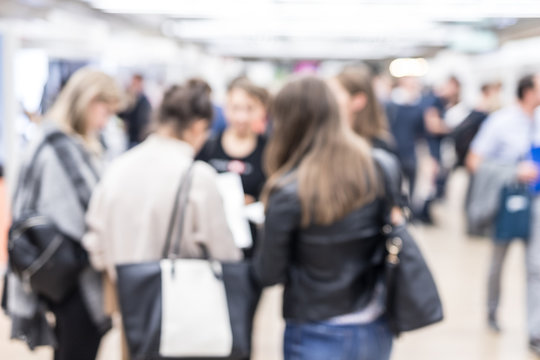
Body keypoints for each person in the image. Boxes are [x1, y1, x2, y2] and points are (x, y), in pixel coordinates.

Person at [82, 79, 242, 360]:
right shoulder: (196, 176)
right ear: (196, 127)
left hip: (130, 309)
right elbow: (224, 252)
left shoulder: (118, 167)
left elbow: (94, 240)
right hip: (183, 313)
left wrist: (121, 273)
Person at [253, 76, 402, 360]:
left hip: (314, 328)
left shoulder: (287, 190)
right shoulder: (381, 167)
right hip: (375, 323)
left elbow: (268, 273)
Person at [4, 68, 122, 360]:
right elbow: (78, 215)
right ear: (89, 101)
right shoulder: (60, 148)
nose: (105, 121)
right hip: (72, 275)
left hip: (67, 271)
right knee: (76, 348)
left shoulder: (71, 142)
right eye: (105, 111)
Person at [467, 74, 540, 356]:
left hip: (535, 202)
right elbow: (474, 161)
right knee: (498, 260)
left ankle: (535, 330)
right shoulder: (501, 122)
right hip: (508, 201)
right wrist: (513, 172)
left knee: (536, 268)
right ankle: (492, 312)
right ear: (528, 91)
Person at [196, 77, 269, 258]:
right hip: (211, 244)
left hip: (252, 249)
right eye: (235, 108)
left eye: (249, 109)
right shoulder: (209, 146)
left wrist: (255, 202)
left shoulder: (269, 150)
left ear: (262, 110)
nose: (241, 117)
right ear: (226, 107)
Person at [329, 66, 395, 153]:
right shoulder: (328, 139)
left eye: (334, 93)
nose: (328, 98)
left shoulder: (377, 149)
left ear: (358, 100)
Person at [118, 74, 152, 148]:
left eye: (136, 83)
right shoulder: (131, 98)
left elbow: (144, 120)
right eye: (133, 83)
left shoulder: (144, 100)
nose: (134, 85)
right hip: (131, 137)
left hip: (140, 138)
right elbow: (122, 114)